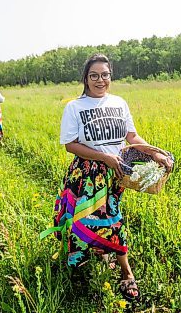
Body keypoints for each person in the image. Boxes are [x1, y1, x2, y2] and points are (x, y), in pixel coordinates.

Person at [41, 54, 173, 301]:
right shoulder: (75, 107)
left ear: (110, 76)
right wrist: (104, 158)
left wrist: (156, 154)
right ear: (86, 79)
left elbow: (132, 138)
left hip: (116, 173)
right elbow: (70, 145)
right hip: (87, 174)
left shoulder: (119, 103)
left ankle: (103, 252)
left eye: (105, 74)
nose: (100, 80)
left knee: (105, 217)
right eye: (94, 75)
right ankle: (127, 273)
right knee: (109, 221)